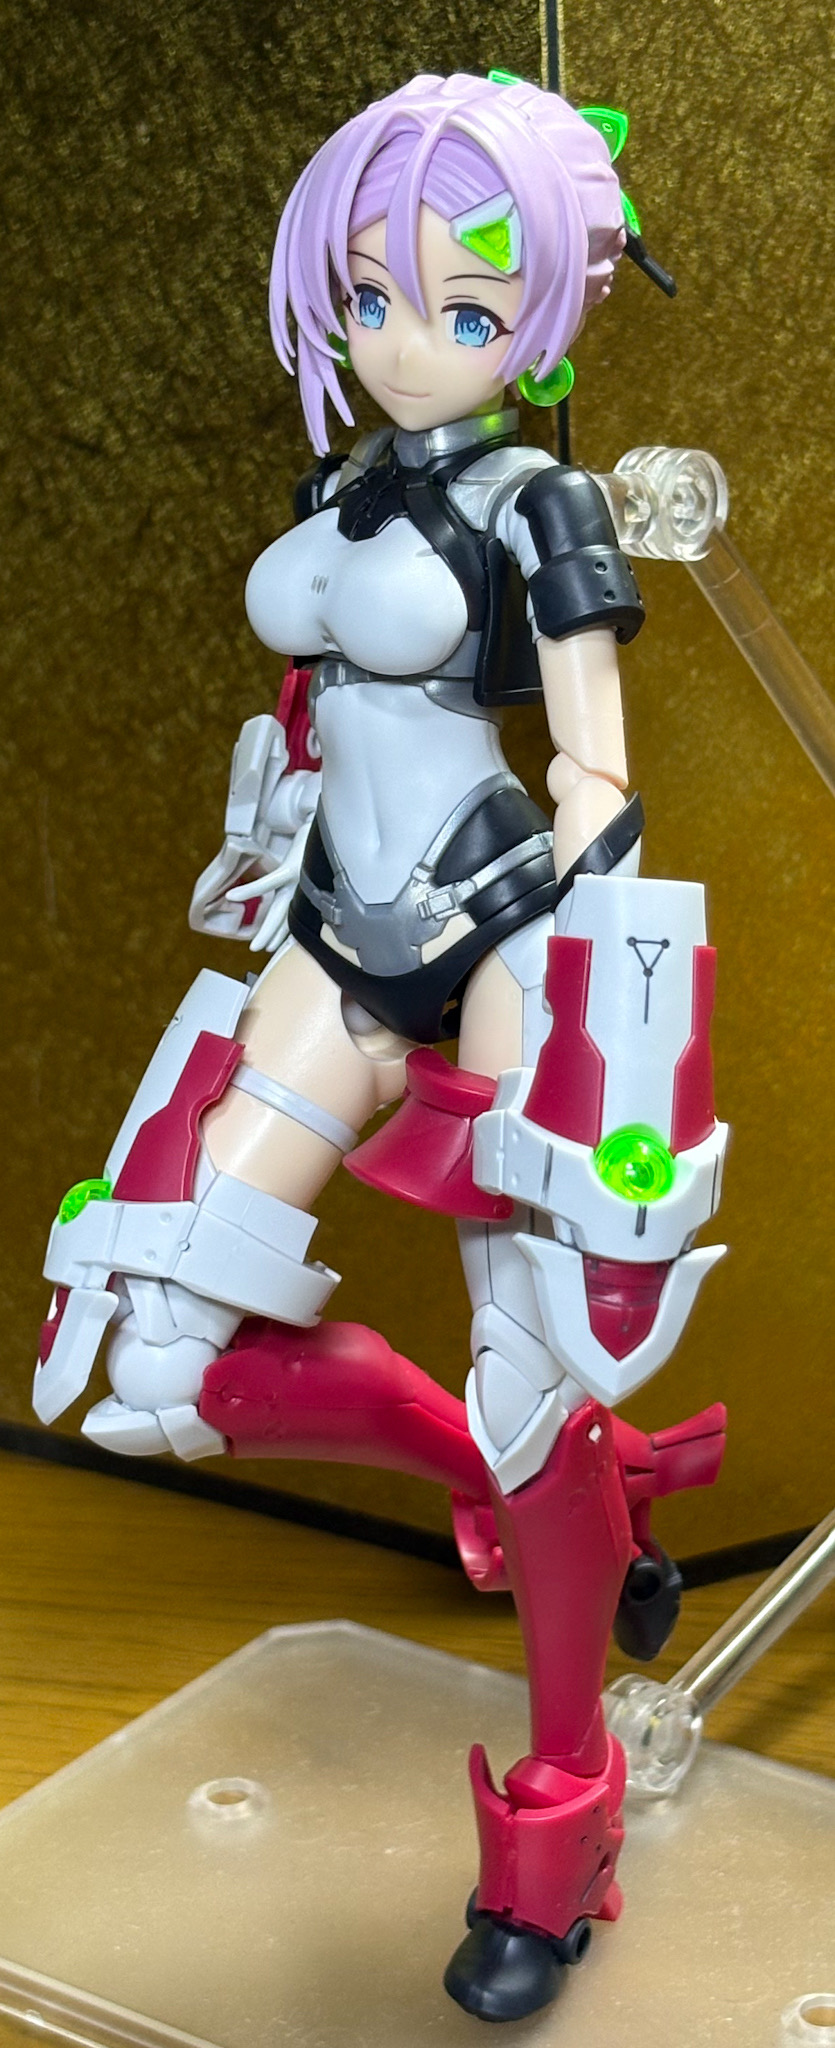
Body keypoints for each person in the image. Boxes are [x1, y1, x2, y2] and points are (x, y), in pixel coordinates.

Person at [35, 72, 728, 2022]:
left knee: (536, 1368)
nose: (404, 337)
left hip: (496, 932)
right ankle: (529, 1488)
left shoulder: (540, 501)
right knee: (159, 1360)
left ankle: (564, 1807)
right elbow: (315, 720)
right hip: (330, 937)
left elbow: (594, 769)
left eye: (461, 300)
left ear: (548, 307)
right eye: (366, 293)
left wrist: (600, 997)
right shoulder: (334, 486)